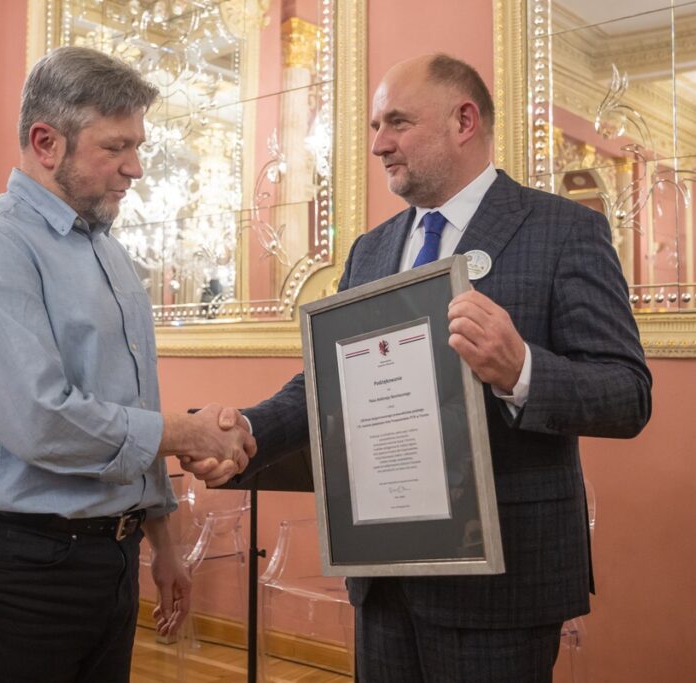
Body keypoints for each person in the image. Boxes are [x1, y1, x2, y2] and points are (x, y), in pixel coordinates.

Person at [189, 53, 652, 681]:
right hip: (384, 576)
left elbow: (627, 394)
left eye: (397, 123)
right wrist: (247, 431)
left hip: (504, 582)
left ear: (464, 120)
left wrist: (521, 370)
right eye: (376, 126)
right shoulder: (372, 250)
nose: (378, 144)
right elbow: (327, 386)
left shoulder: (564, 230)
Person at [0, 46, 255, 683]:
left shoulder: (110, 255)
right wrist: (184, 432)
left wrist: (162, 543)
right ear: (47, 142)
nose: (135, 168)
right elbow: (40, 419)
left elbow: (129, 410)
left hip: (112, 558)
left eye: (138, 146)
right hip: (17, 566)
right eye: (115, 147)